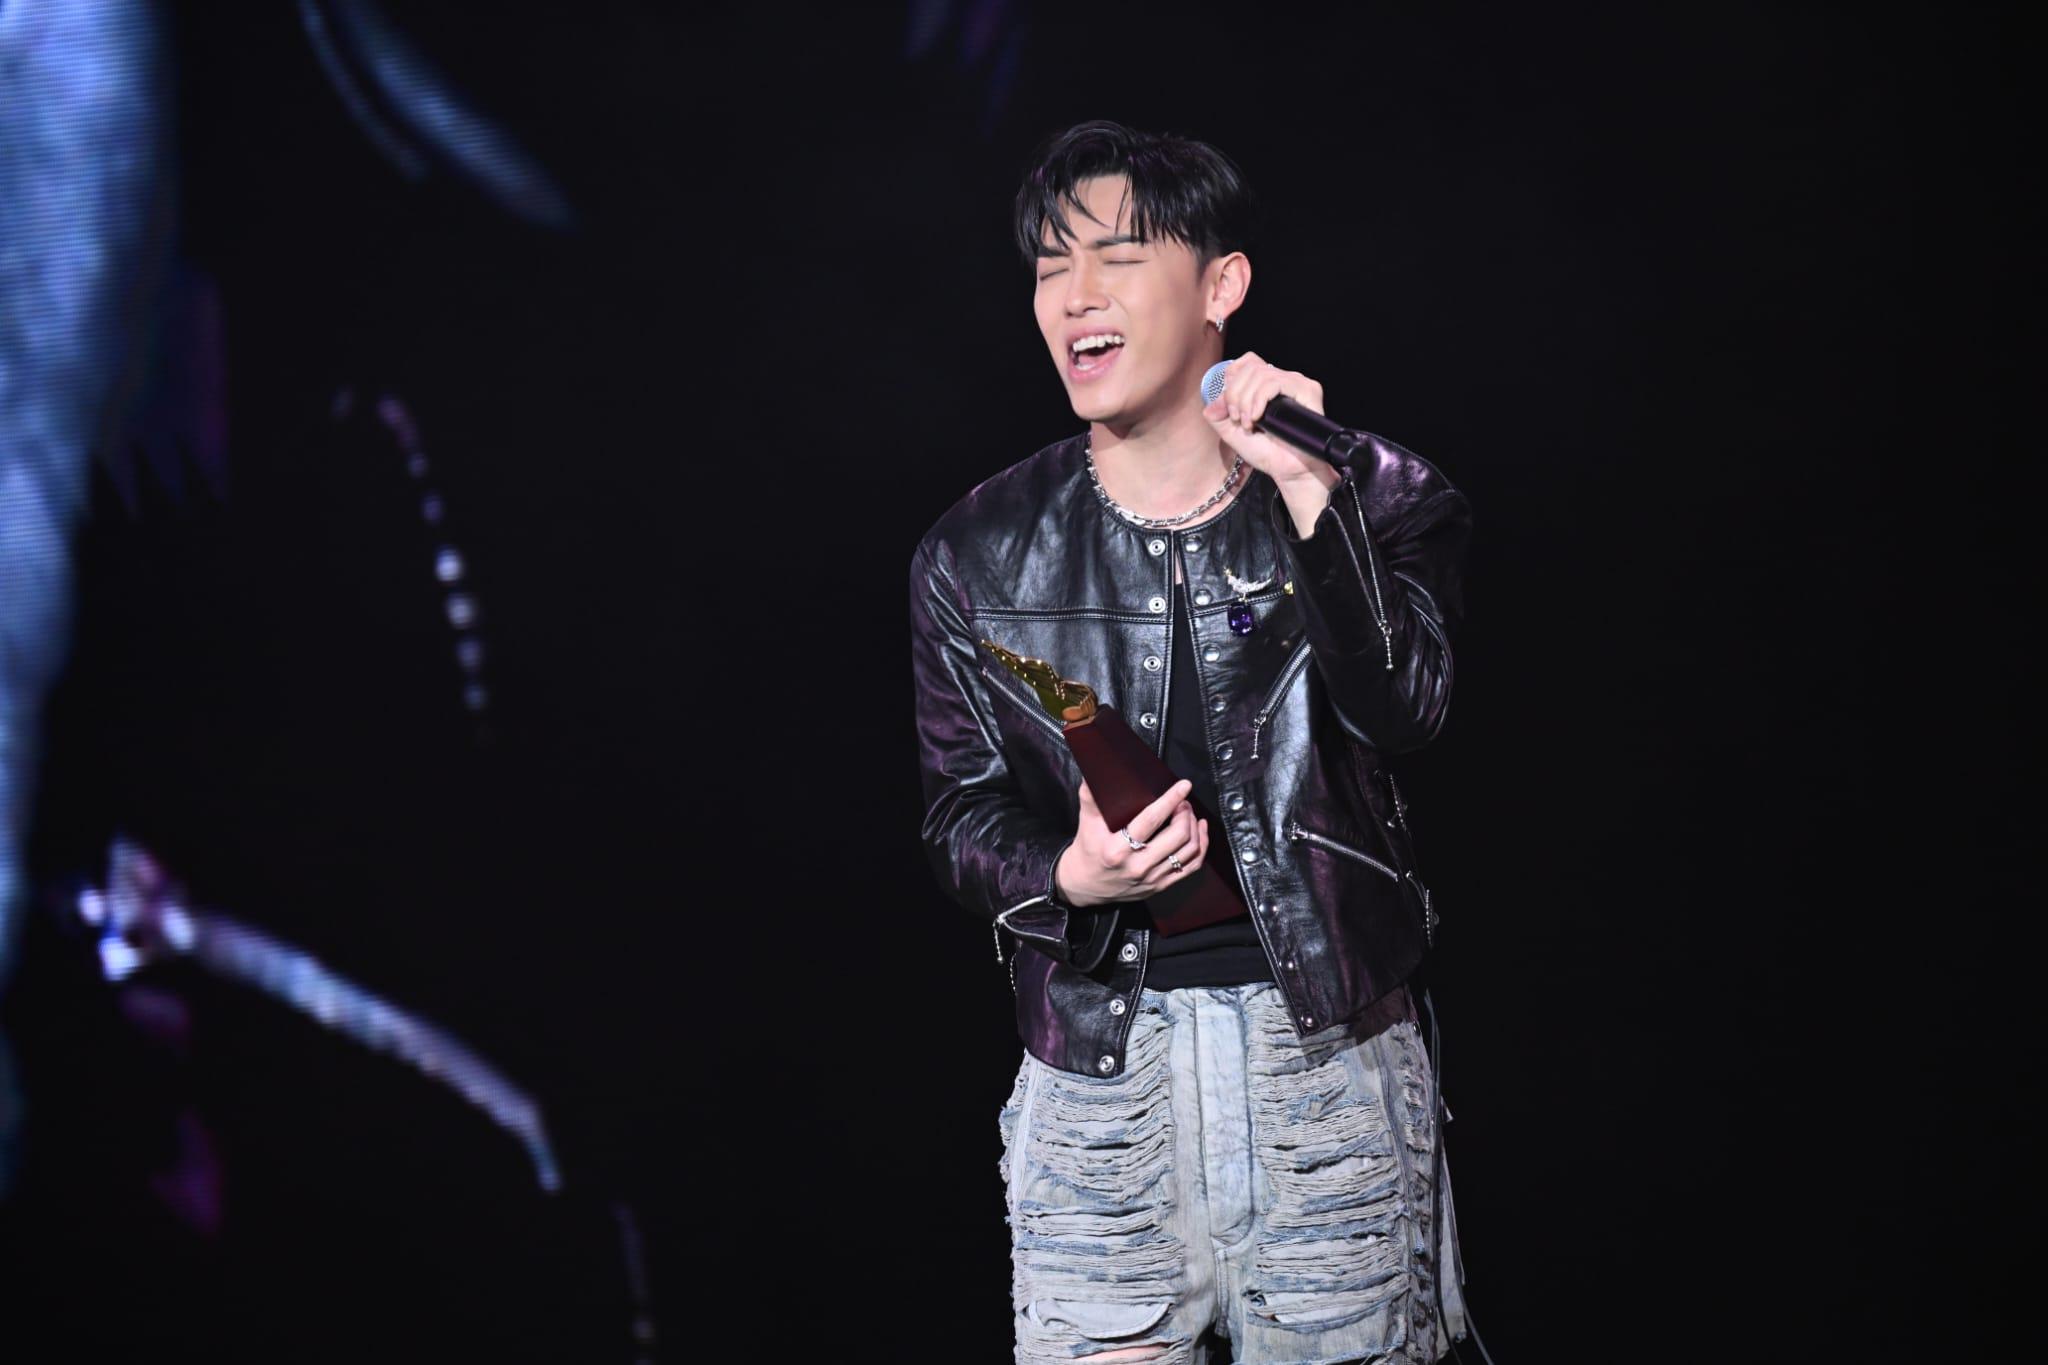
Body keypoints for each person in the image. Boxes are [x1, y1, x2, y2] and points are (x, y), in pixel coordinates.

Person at [909, 119, 1474, 1365]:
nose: (1075, 296)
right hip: (1100, 1089)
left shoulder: (1376, 496)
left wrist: (1312, 496)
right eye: (1050, 267)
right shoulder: (976, 551)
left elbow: (1406, 710)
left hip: (1324, 1072)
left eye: (1115, 258)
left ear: (1220, 286)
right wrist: (1067, 876)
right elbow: (958, 819)